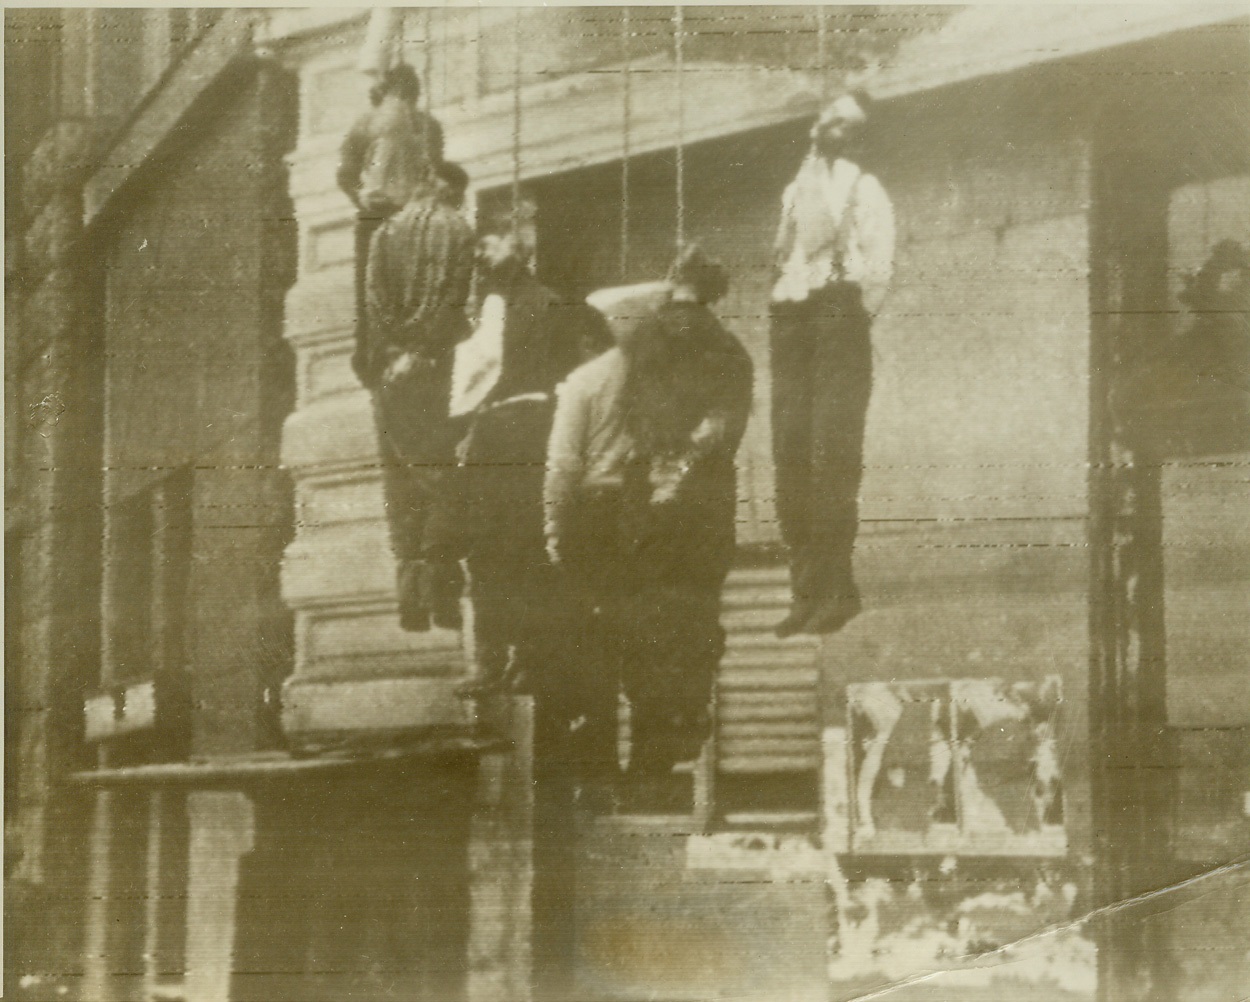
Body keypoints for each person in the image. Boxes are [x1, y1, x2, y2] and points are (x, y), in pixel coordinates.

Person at [545, 244, 753, 796]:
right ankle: (655, 761)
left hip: (669, 513)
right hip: (676, 515)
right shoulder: (695, 353)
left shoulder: (682, 351)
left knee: (658, 636)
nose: (681, 313)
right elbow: (697, 427)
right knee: (668, 636)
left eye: (686, 299)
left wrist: (670, 470)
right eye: (675, 303)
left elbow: (689, 428)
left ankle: (643, 766)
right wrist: (677, 467)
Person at [429, 200, 612, 697]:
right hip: (501, 432)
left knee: (515, 548)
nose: (482, 255)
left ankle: (520, 659)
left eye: (490, 243)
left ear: (518, 241)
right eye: (479, 247)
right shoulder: (487, 307)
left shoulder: (542, 305)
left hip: (526, 429)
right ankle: (502, 660)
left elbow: (564, 372)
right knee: (495, 550)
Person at [769, 91, 895, 637]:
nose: (829, 127)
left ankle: (838, 593)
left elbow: (880, 270)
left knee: (831, 457)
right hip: (791, 318)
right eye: (827, 118)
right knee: (789, 456)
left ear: (860, 136)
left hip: (837, 317)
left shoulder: (865, 189)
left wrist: (844, 317)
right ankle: (805, 593)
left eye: (844, 124)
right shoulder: (794, 191)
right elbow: (786, 258)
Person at [364, 160, 475, 631]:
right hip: (439, 367)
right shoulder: (458, 229)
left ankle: (411, 601)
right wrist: (427, 349)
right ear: (452, 190)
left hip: (391, 373)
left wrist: (397, 352)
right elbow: (454, 302)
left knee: (400, 480)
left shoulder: (385, 233)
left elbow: (374, 302)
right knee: (443, 478)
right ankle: (444, 599)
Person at [338, 63, 446, 388]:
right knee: (412, 290)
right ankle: (402, 356)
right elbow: (436, 172)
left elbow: (345, 176)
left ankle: (379, 359)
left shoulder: (367, 124)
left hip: (383, 217)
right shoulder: (426, 126)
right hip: (412, 219)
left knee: (375, 294)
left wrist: (362, 198)